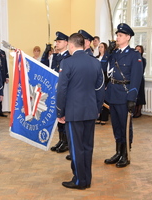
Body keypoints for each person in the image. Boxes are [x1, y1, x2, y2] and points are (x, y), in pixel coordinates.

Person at [57, 33, 104, 190]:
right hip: (90, 111)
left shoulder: (67, 62)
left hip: (74, 112)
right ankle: (87, 179)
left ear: (71, 45)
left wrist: (60, 112)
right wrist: (97, 109)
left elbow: (62, 90)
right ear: (84, 44)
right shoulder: (95, 62)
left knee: (76, 147)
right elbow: (99, 89)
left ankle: (79, 180)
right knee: (87, 146)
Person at [102, 23, 143, 168]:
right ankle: (118, 152)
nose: (117, 38)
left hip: (125, 94)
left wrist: (132, 97)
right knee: (116, 126)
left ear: (128, 37)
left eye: (120, 35)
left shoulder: (134, 55)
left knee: (125, 126)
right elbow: (103, 70)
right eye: (117, 35)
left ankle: (125, 154)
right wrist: (108, 53)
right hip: (113, 93)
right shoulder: (114, 54)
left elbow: (137, 78)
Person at [49, 31, 71, 153]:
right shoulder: (56, 56)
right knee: (58, 115)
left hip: (65, 91)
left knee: (64, 115)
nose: (57, 43)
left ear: (66, 43)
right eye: (56, 41)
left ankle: (66, 142)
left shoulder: (69, 57)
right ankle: (61, 140)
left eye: (59, 41)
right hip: (56, 91)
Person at [96, 42, 110, 125]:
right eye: (99, 47)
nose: (100, 48)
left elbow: (108, 73)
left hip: (105, 79)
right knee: (98, 100)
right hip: (97, 80)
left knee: (104, 100)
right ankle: (98, 117)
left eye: (102, 47)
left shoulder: (107, 58)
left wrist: (107, 84)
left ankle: (104, 117)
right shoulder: (96, 58)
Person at [133, 45, 146, 118]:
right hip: (133, 79)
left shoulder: (143, 60)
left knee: (140, 96)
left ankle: (139, 111)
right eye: (136, 49)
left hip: (140, 79)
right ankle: (134, 111)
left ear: (141, 51)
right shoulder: (133, 59)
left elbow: (141, 70)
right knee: (135, 95)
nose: (138, 51)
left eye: (139, 49)